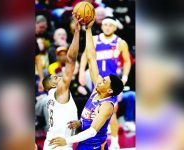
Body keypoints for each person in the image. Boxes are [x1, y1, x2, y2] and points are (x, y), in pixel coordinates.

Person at [50, 18, 124, 150]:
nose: (99, 80)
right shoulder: (98, 89)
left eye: (104, 81)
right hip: (84, 143)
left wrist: (66, 141)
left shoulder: (107, 105)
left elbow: (92, 131)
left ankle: (115, 140)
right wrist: (88, 29)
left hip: (94, 147)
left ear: (110, 91)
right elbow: (91, 58)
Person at [79, 16, 131, 149]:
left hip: (111, 85)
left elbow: (127, 61)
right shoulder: (95, 40)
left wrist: (124, 77)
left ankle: (114, 141)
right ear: (102, 26)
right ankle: (99, 136)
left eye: (110, 25)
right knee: (92, 112)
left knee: (111, 112)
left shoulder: (120, 42)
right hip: (97, 81)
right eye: (105, 24)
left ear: (115, 27)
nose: (107, 27)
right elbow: (87, 56)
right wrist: (80, 72)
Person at [42, 14, 83, 150]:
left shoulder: (50, 97)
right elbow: (71, 60)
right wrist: (76, 32)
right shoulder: (60, 90)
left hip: (51, 141)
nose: (59, 77)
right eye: (55, 78)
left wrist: (79, 122)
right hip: (60, 145)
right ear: (53, 85)